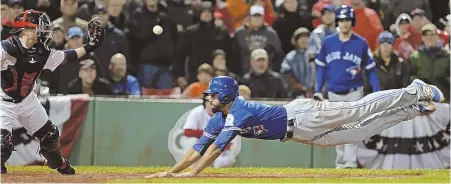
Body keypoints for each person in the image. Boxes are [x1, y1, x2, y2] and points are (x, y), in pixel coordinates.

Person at [146, 76, 444, 178]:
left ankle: (414, 91)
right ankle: (410, 110)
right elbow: (197, 149)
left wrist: (191, 176)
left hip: (302, 116)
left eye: (211, 93)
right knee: (360, 132)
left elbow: (212, 152)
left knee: (357, 109)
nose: (208, 97)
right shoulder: (217, 117)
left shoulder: (238, 111)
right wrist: (172, 173)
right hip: (299, 133)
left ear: (223, 94)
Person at [0, 9, 104, 174]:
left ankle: (59, 163)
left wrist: (90, 46)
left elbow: (67, 56)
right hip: (3, 102)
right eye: (38, 28)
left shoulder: (43, 52)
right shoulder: (7, 49)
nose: (43, 32)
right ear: (25, 30)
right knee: (2, 145)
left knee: (50, 136)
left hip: (28, 100)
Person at [313, 5, 381, 168]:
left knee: (351, 128)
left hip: (354, 92)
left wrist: (376, 90)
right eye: (342, 20)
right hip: (334, 93)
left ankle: (349, 162)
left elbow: (371, 70)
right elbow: (321, 69)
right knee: (336, 129)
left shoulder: (361, 43)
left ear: (353, 22)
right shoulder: (328, 43)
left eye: (347, 20)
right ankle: (340, 163)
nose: (344, 23)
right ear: (337, 22)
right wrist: (317, 90)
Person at [182, 95, 239, 168]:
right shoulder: (197, 112)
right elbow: (188, 131)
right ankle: (192, 167)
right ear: (204, 103)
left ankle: (215, 175)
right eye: (209, 101)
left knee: (229, 159)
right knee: (191, 141)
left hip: (217, 150)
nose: (211, 103)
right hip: (200, 146)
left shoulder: (226, 115)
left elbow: (229, 144)